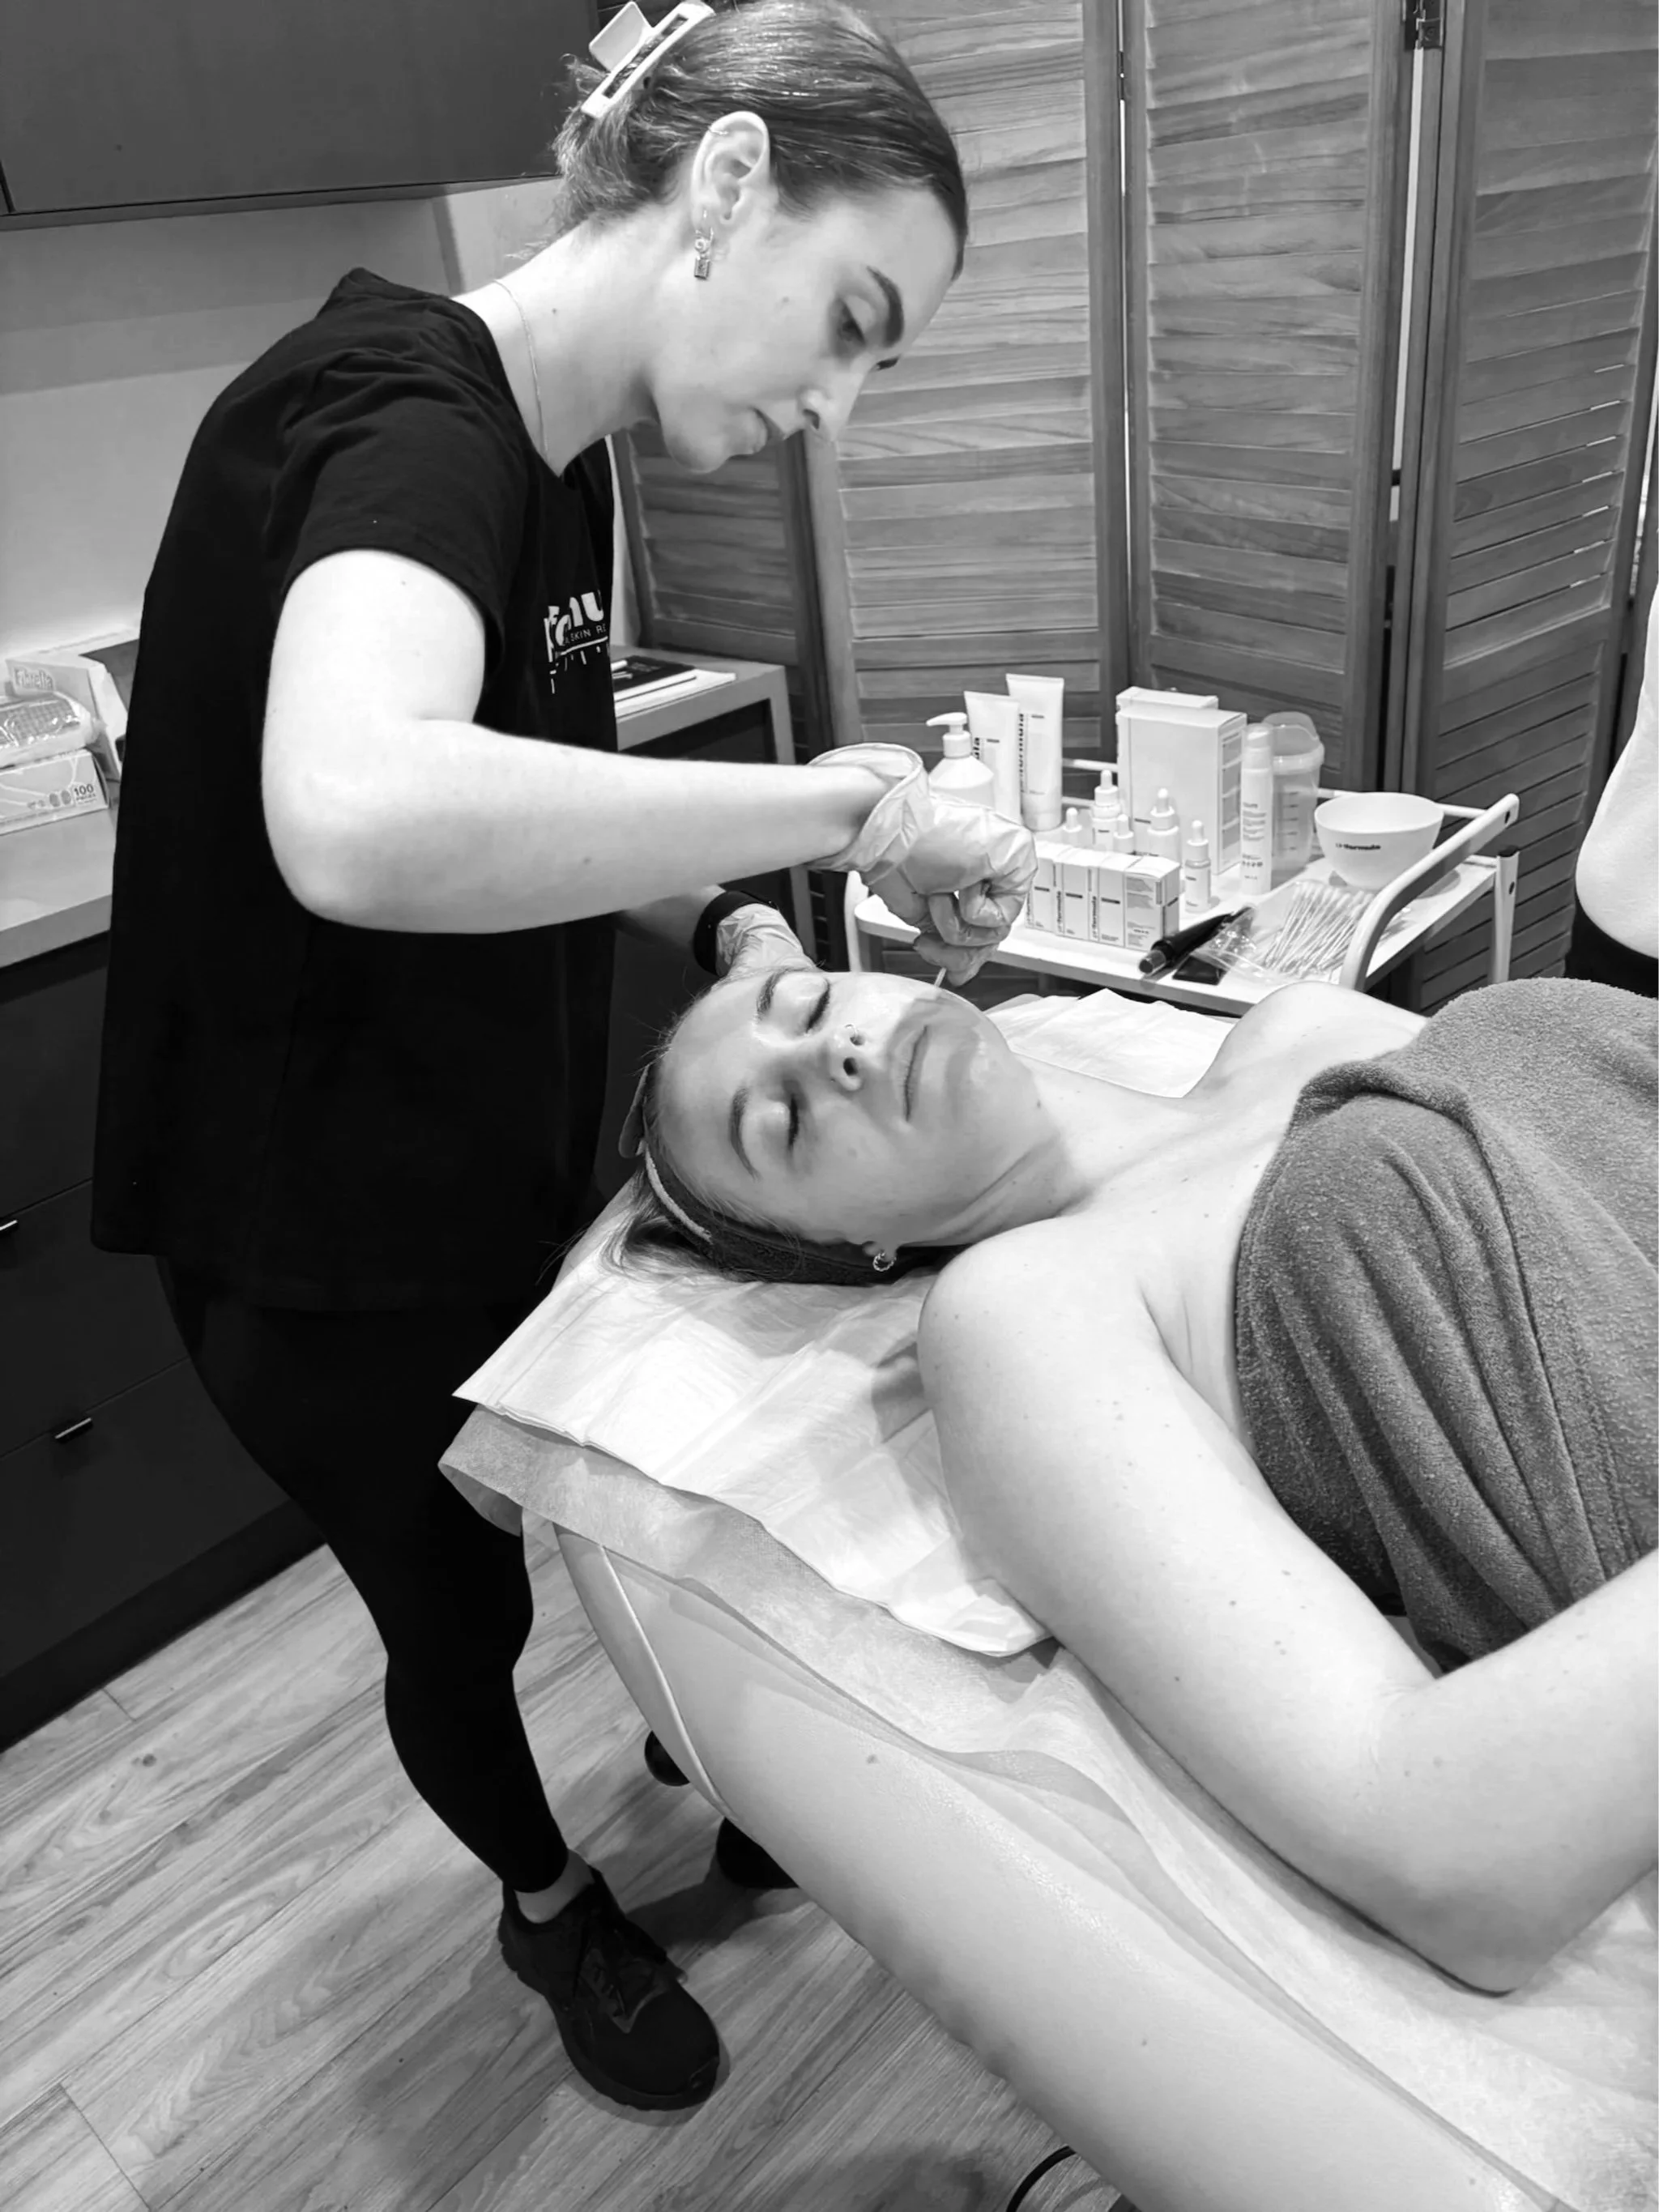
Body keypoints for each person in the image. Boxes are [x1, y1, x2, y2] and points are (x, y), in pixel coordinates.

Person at [91, 0, 1035, 2115]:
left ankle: (705, 1762)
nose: (841, 406)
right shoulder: (398, 419)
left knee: (596, 1528)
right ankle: (547, 1903)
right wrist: (831, 807)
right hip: (305, 1237)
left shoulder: (566, 455)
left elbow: (523, 806)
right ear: (722, 189)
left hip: (473, 1163)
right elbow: (361, 811)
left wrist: (722, 920)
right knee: (459, 1609)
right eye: (854, 320)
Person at [619, 961, 1657, 1993]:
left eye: (808, 1001)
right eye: (784, 1124)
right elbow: (1439, 1847)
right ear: (862, 1249)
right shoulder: (1028, 1304)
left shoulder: (1296, 1024)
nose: (837, 1048)